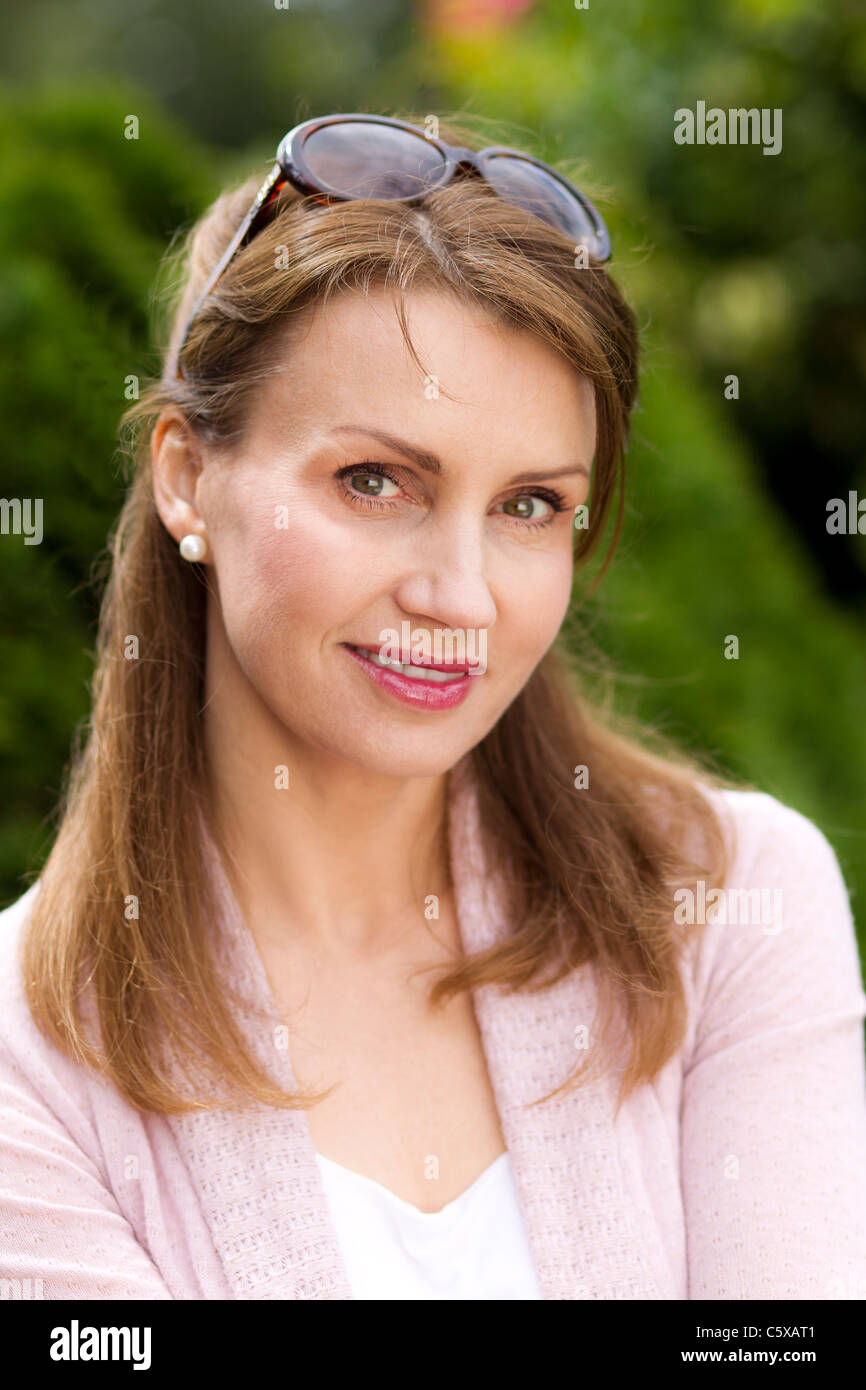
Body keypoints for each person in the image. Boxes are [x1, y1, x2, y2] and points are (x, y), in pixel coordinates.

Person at [1, 111, 865, 1302]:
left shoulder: (730, 911)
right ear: (188, 477)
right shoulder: (22, 1058)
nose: (458, 594)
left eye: (528, 505)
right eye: (376, 480)